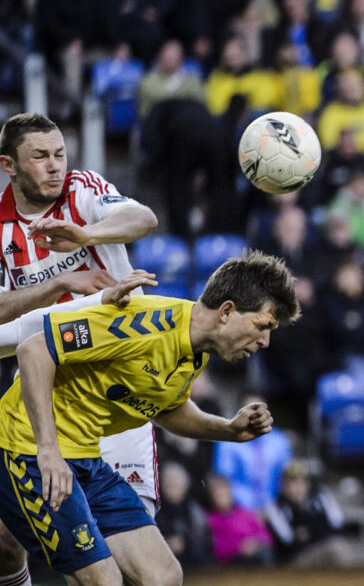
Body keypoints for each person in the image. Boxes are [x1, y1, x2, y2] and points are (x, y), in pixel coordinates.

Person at [0, 250, 300, 583]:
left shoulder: (196, 350)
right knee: (103, 581)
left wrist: (229, 429)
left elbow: (164, 409)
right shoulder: (142, 323)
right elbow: (36, 349)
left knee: (164, 575)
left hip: (84, 457)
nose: (265, 341)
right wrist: (48, 449)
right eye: (262, 325)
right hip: (24, 448)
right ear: (227, 311)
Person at [0, 112, 163, 586]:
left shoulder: (82, 188)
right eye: (40, 157)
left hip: (117, 391)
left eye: (59, 154)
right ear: (8, 165)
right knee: (22, 550)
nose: (54, 166)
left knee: (143, 566)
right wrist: (60, 282)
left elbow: (143, 218)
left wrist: (87, 235)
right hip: (45, 394)